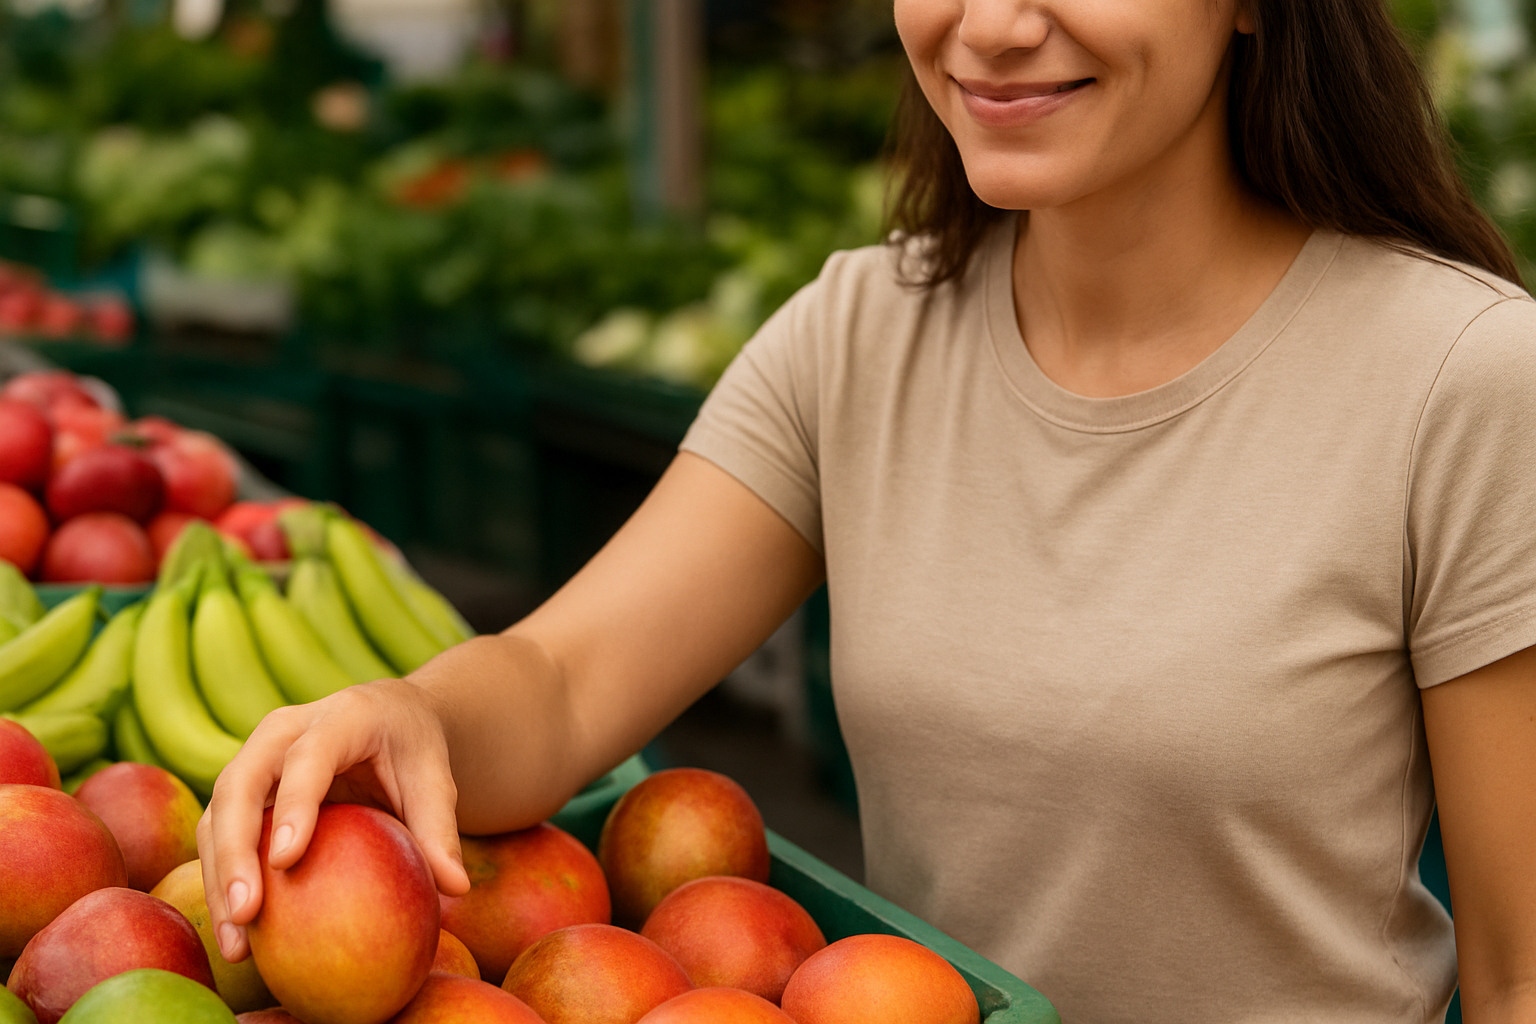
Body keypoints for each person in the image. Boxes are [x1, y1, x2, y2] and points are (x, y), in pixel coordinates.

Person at [199, 1, 1536, 1021]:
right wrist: (410, 716)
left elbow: (1520, 969)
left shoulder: (1458, 378)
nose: (996, 27)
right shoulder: (860, 336)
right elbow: (562, 679)